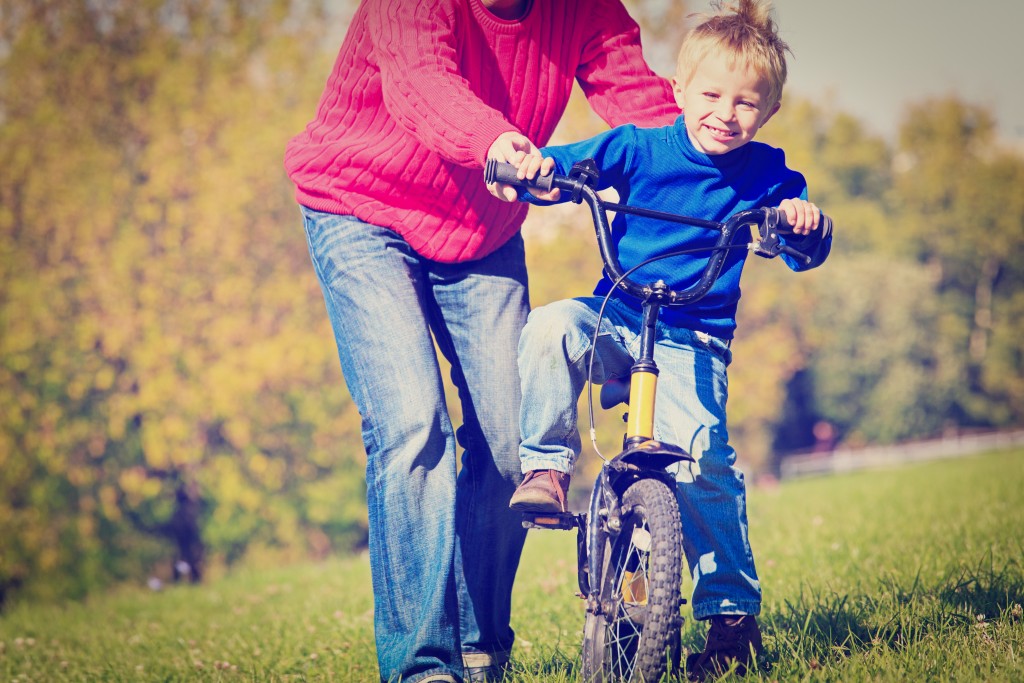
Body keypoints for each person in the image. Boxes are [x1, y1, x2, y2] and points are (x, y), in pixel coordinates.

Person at [283, 1, 679, 681]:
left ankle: (478, 646)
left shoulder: (582, 8)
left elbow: (643, 103)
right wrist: (495, 142)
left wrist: (722, 174)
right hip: (359, 206)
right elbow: (421, 82)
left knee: (512, 446)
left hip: (479, 230)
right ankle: (422, 667)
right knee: (412, 426)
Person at [501, 0, 833, 679]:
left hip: (694, 337)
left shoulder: (766, 172)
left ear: (768, 112)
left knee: (706, 463)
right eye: (710, 94)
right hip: (617, 313)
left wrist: (802, 220)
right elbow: (572, 167)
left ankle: (731, 619)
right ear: (679, 91)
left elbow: (801, 246)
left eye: (747, 102)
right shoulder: (640, 144)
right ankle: (545, 467)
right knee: (549, 326)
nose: (725, 112)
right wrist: (539, 170)